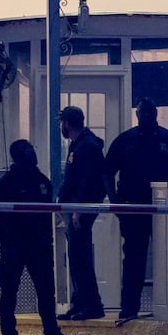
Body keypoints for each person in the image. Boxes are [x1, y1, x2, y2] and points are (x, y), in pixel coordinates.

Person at [102, 98, 168, 326]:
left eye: (150, 111)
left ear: (156, 113)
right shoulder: (125, 140)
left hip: (165, 210)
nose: (147, 115)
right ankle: (129, 308)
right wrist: (115, 202)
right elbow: (107, 172)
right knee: (133, 260)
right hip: (133, 209)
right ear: (137, 114)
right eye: (142, 112)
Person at [0, 139, 80, 335]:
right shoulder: (7, 183)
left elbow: (45, 215)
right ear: (17, 156)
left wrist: (47, 239)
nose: (31, 153)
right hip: (15, 245)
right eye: (26, 150)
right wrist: (7, 240)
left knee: (47, 291)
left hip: (38, 245)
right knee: (10, 290)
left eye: (32, 148)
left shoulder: (43, 182)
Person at [56, 105, 107, 321]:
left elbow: (85, 180)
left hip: (80, 208)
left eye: (62, 123)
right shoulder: (81, 144)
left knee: (81, 257)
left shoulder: (86, 147)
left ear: (66, 123)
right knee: (77, 258)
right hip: (74, 206)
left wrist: (78, 209)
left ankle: (92, 305)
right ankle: (80, 302)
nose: (61, 126)